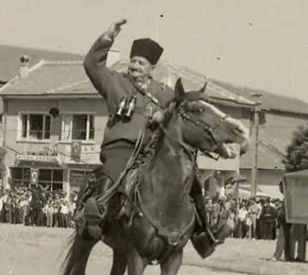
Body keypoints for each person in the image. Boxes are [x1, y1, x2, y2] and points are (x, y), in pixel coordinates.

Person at [80, 20, 232, 258]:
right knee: (113, 174)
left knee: (190, 182)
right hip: (121, 147)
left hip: (153, 150)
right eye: (132, 62)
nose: (134, 67)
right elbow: (91, 64)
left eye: (141, 63)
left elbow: (188, 119)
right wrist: (107, 38)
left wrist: (219, 146)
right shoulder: (114, 82)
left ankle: (203, 235)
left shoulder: (164, 93)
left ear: (152, 68)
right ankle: (96, 217)